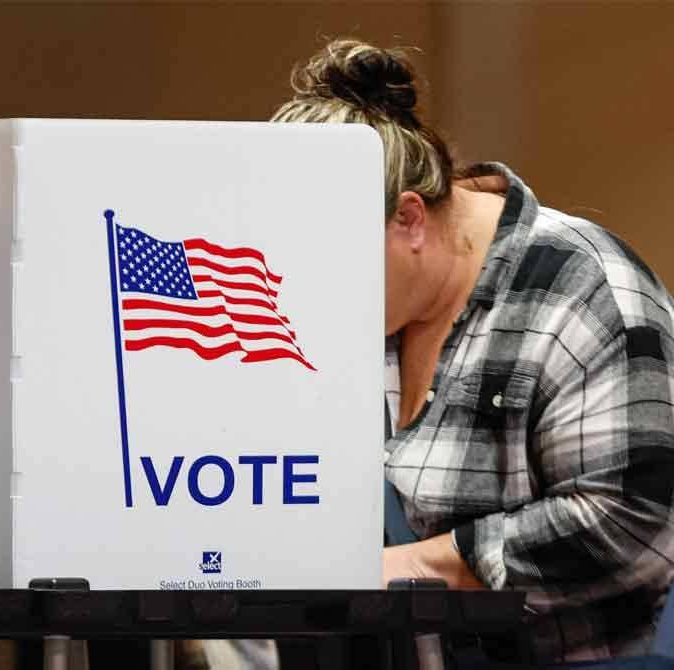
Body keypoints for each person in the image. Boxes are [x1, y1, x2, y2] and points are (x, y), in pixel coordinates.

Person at [271, 38, 674, 664]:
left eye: (331, 263)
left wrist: (409, 566)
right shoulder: (374, 308)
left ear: (409, 219)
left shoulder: (584, 289)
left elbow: (629, 523)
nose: (314, 293)